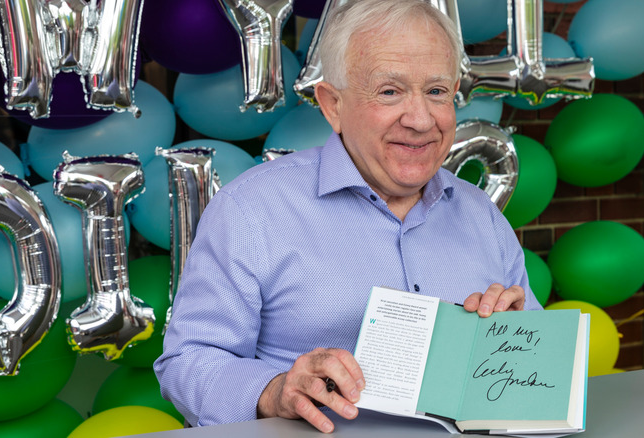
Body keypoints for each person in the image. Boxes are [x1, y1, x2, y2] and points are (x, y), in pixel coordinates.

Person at [154, 0, 543, 433]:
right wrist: (274, 390)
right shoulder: (251, 210)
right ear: (332, 104)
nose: (420, 119)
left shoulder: (481, 215)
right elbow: (187, 362)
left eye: (436, 92)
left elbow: (538, 366)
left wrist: (515, 342)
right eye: (390, 91)